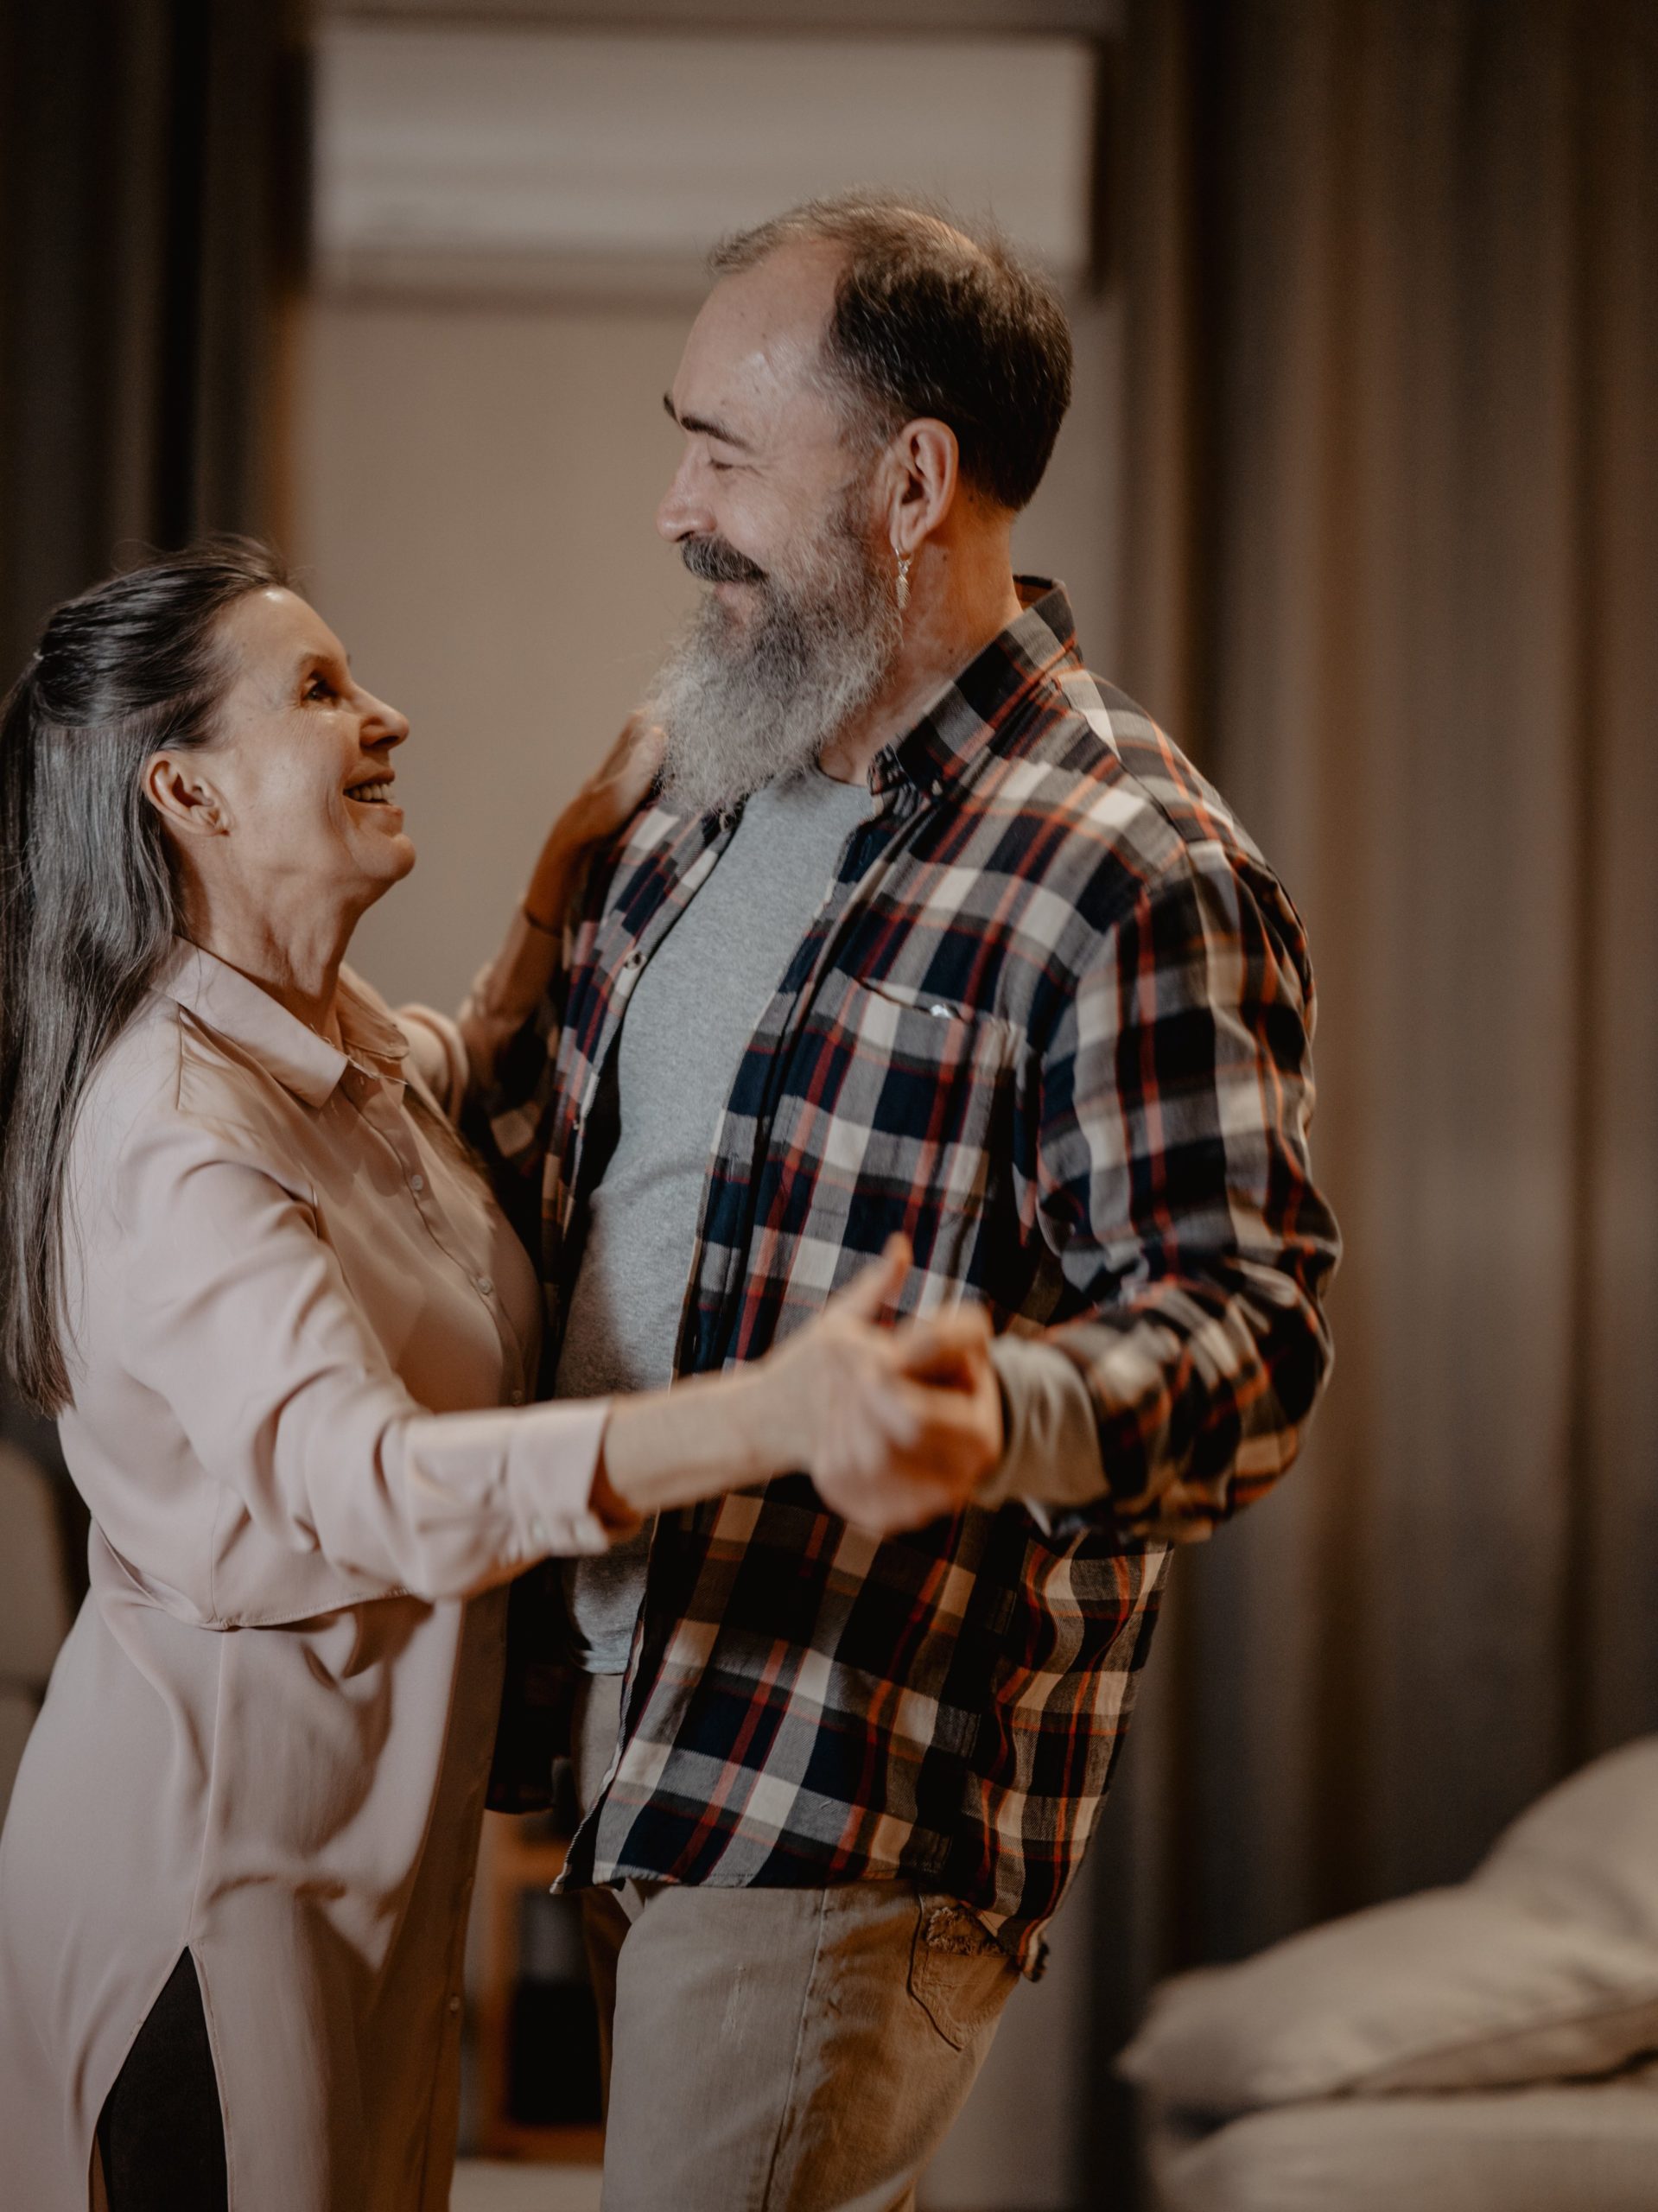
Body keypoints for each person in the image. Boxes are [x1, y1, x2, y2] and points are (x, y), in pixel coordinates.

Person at [455, 194, 1343, 2210]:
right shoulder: (689, 794)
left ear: (908, 481)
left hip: (847, 1778)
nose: (675, 505)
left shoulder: (1130, 862)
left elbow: (1252, 1330)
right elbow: (557, 1179)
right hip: (608, 1716)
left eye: (722, 452)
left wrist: (1001, 1415)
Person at [0, 543, 1002, 2212]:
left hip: (354, 1865)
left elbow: (446, 1077)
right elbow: (378, 1489)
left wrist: (566, 869)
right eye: (318, 691)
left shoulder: (320, 1047)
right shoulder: (175, 1141)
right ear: (188, 792)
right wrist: (768, 1414)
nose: (384, 715)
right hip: (209, 1888)